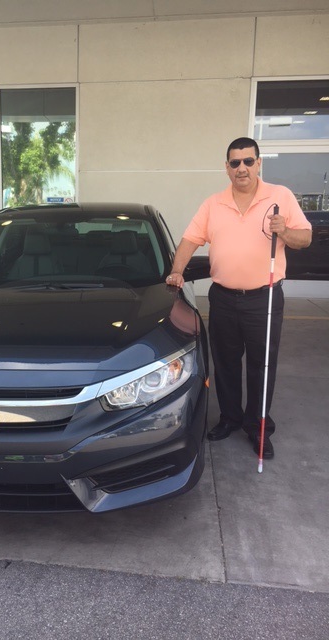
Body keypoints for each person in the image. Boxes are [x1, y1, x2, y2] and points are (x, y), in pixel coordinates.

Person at [166, 137, 312, 459]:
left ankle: (258, 426)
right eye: (235, 163)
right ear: (227, 168)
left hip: (265, 299)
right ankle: (230, 418)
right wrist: (177, 270)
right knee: (226, 363)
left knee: (261, 366)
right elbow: (191, 239)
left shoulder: (280, 196)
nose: (242, 168)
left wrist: (284, 231)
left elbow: (305, 237)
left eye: (248, 161)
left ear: (259, 163)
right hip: (223, 298)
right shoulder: (213, 203)